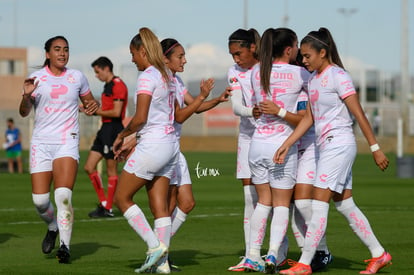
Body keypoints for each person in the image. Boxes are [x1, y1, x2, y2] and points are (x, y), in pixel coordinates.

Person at [275, 27, 391, 275]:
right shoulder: (315, 79)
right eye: (302, 56)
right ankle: (379, 254)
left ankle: (304, 263)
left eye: (307, 56)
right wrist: (286, 144)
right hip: (324, 146)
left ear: (323, 52)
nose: (303, 60)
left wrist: (375, 148)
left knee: (319, 205)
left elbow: (358, 113)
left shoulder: (339, 76)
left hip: (339, 144)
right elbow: (309, 118)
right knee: (345, 204)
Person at [19, 35, 99, 264]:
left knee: (63, 195)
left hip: (67, 141)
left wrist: (93, 107)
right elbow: (24, 112)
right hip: (41, 143)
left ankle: (65, 246)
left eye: (65, 49)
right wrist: (26, 95)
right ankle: (52, 227)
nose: (62, 53)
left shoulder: (77, 77)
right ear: (47, 54)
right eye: (57, 49)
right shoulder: (35, 79)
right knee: (40, 201)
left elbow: (90, 105)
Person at [160, 38, 231, 273]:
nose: (184, 60)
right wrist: (201, 97)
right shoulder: (162, 82)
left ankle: (158, 250)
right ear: (165, 59)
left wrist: (217, 99)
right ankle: (159, 254)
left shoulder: (177, 81)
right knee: (168, 206)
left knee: (187, 203)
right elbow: (180, 116)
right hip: (164, 151)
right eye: (179, 56)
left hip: (175, 151)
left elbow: (195, 106)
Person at [112, 27, 179, 273]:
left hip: (154, 144)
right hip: (171, 145)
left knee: (121, 198)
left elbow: (140, 118)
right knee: (160, 207)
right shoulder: (168, 75)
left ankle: (154, 247)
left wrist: (122, 136)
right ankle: (162, 266)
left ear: (142, 51)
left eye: (133, 53)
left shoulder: (148, 76)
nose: (132, 59)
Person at [243, 27, 310, 273]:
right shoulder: (301, 74)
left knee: (263, 203)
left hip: (257, 144)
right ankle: (272, 255)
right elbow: (305, 115)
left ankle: (252, 255)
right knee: (281, 205)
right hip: (281, 146)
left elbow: (256, 108)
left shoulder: (255, 73)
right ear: (290, 49)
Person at [226, 28, 264, 272]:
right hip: (248, 137)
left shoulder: (269, 67)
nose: (236, 59)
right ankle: (252, 255)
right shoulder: (234, 72)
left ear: (253, 47)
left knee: (282, 199)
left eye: (239, 53)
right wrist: (253, 112)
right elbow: (237, 107)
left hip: (275, 137)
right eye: (232, 55)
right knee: (250, 198)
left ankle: (278, 254)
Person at [84, 56, 128, 218]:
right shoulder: (108, 86)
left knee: (111, 170)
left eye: (97, 72)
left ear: (106, 69)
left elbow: (116, 112)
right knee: (89, 167)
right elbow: (108, 108)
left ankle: (108, 208)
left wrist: (95, 111)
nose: (96, 75)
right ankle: (105, 204)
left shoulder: (118, 85)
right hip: (105, 129)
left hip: (114, 129)